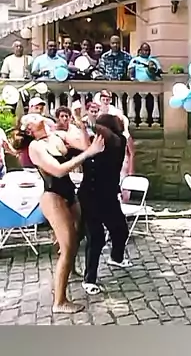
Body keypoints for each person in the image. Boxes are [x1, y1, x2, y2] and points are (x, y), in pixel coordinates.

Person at [11, 113, 104, 313]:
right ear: (29, 129)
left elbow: (85, 146)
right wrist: (89, 153)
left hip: (69, 193)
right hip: (53, 197)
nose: (36, 115)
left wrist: (80, 125)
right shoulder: (36, 147)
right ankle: (59, 302)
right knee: (68, 247)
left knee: (77, 236)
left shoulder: (57, 136)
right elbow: (59, 170)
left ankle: (70, 269)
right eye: (31, 117)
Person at [78, 113, 130, 295]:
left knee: (121, 230)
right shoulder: (93, 144)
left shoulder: (118, 141)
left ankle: (116, 258)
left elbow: (107, 135)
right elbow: (84, 151)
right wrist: (83, 129)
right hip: (89, 197)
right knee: (96, 237)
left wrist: (90, 125)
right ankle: (89, 279)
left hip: (108, 196)